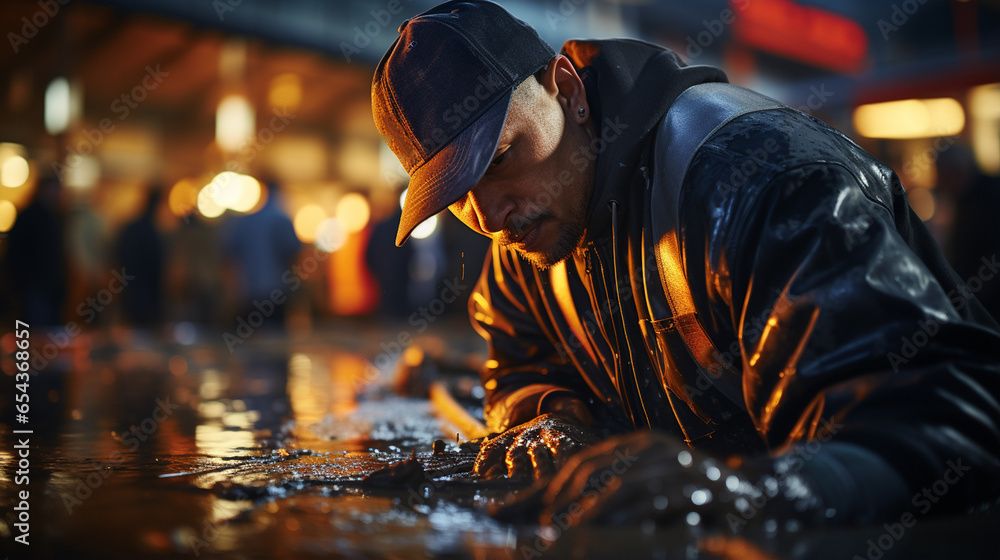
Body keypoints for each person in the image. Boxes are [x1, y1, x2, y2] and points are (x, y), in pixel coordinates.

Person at [372, 0, 1000, 530]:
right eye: (457, 196)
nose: (488, 215)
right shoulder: (524, 240)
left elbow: (947, 422)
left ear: (564, 88)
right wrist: (551, 417)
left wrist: (747, 494)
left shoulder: (760, 179)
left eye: (501, 157)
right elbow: (515, 367)